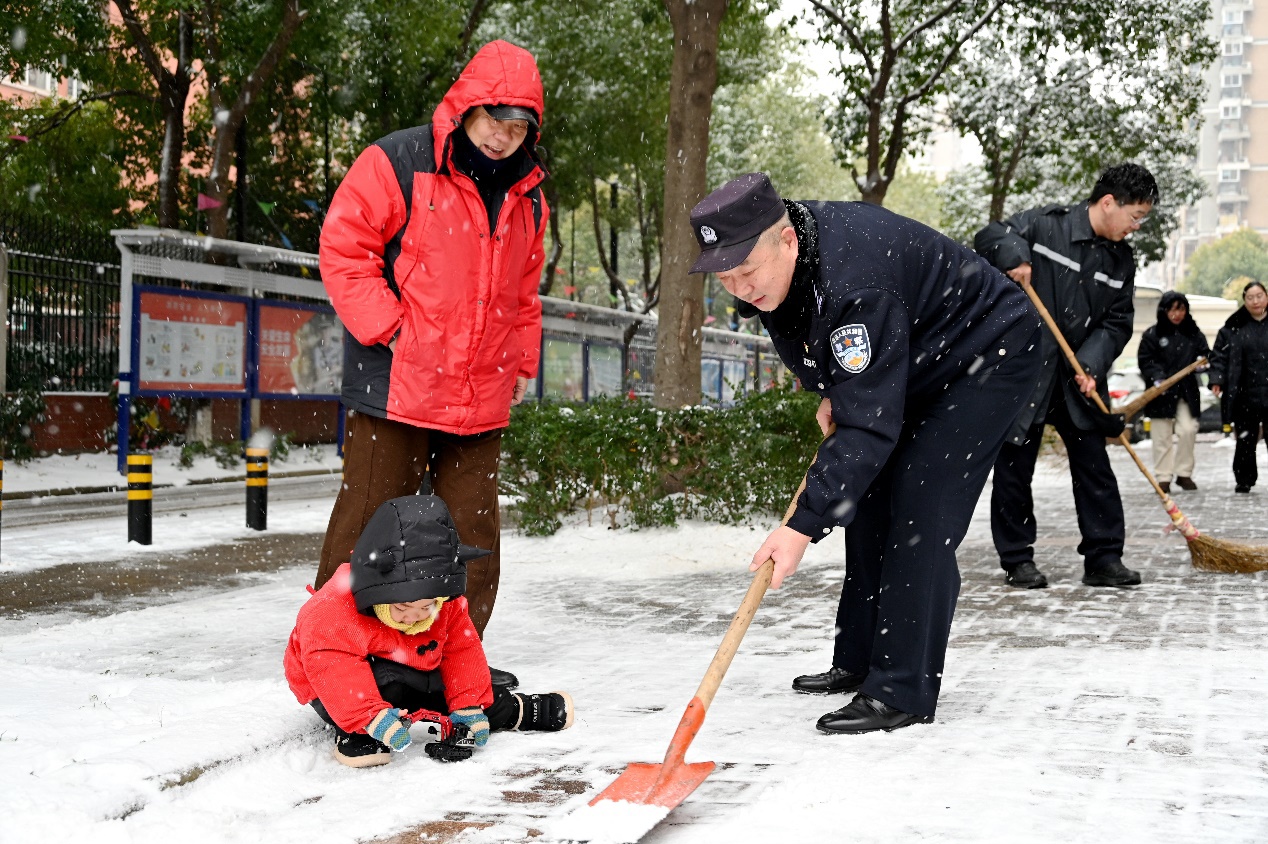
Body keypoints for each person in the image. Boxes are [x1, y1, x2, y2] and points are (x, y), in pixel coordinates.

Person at [688, 173, 1040, 734]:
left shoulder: (856, 283)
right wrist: (835, 388)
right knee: (868, 500)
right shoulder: (781, 270)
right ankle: (859, 659)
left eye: (746, 271)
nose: (740, 288)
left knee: (922, 505)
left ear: (787, 241)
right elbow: (816, 341)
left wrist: (800, 527)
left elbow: (867, 429)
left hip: (988, 353)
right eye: (725, 277)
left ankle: (901, 688)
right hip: (918, 355)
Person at [316, 40, 549, 691]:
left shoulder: (530, 196)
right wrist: (392, 328)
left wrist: (518, 363)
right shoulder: (399, 161)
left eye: (517, 127)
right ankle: (336, 661)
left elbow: (523, 293)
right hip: (396, 386)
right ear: (467, 107)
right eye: (493, 120)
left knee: (472, 538)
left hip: (480, 396)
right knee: (367, 529)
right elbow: (344, 246)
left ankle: (453, 663)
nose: (502, 137)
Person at [285, 495, 574, 768]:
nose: (414, 617)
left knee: (449, 688)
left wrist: (468, 704)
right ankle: (358, 729)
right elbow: (332, 664)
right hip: (333, 686)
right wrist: (369, 715)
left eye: (427, 607)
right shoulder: (332, 610)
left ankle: (512, 709)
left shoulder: (444, 601)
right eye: (403, 607)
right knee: (388, 683)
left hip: (408, 666)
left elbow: (461, 651)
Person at [975, 163, 1157, 590]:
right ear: (1109, 203)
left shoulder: (1121, 259)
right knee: (1015, 468)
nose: (1136, 227)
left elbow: (1117, 322)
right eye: (1135, 216)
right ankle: (1018, 559)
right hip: (1028, 371)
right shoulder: (1044, 227)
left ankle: (1104, 558)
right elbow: (991, 235)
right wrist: (1015, 256)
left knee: (1095, 468)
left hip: (1078, 379)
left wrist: (1091, 364)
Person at [1137, 292, 1210, 493]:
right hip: (1161, 393)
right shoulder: (1152, 334)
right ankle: (1163, 477)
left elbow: (1205, 354)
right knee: (1161, 436)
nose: (1176, 314)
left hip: (1186, 391)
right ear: (1164, 310)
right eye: (1172, 309)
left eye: (1181, 309)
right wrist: (1158, 377)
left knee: (1188, 429)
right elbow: (1145, 360)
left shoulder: (1193, 333)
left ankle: (1184, 473)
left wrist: (1202, 364)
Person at [1208, 280, 1268, 493]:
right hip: (1244, 392)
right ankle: (1244, 479)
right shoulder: (1233, 327)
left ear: (1267, 297)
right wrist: (1216, 379)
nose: (1255, 301)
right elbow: (1219, 356)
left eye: (1259, 296)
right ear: (1244, 300)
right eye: (1250, 297)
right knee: (1245, 439)